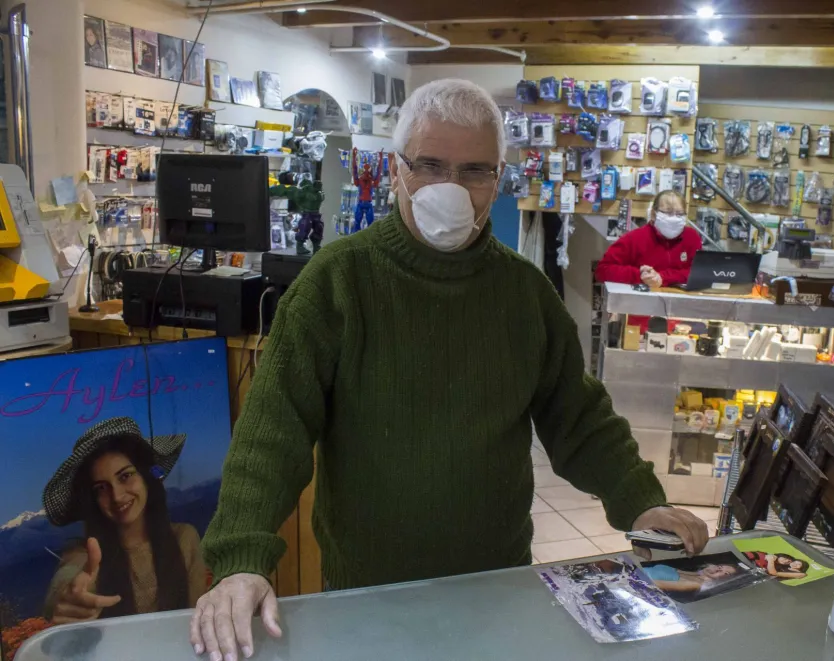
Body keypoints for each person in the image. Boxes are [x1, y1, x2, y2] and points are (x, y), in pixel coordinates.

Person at [190, 79, 709, 661]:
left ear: (498, 182)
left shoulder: (525, 293)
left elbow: (579, 417)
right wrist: (241, 560)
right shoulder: (336, 283)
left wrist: (640, 499)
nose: (451, 188)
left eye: (474, 171)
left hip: (496, 582)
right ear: (395, 170)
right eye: (431, 165)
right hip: (366, 591)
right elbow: (271, 434)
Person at [41, 417, 208, 623]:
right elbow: (67, 581)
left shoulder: (184, 538)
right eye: (101, 488)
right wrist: (68, 599)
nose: (117, 496)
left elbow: (195, 622)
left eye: (125, 476)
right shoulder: (86, 555)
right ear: (93, 500)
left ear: (146, 476)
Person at [595, 189, 702, 289]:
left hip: (681, 305)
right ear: (653, 214)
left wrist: (663, 277)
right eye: (668, 212)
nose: (674, 218)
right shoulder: (634, 238)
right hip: (641, 304)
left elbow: (700, 273)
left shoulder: (691, 237)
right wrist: (640, 275)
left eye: (679, 214)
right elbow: (603, 270)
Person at [642, 561, 743, 594]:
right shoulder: (695, 575)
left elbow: (651, 585)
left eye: (726, 574)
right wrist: (703, 572)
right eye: (720, 567)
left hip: (632, 579)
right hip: (633, 570)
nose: (718, 570)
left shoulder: (696, 585)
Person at [744, 551, 809, 580]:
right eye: (795, 562)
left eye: (799, 564)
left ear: (802, 567)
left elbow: (773, 572)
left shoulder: (801, 574)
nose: (795, 564)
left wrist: (770, 560)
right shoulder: (781, 567)